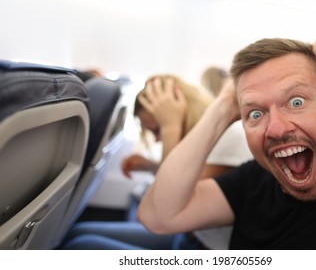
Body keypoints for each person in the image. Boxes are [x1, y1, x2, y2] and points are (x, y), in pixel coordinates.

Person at [137, 26, 316, 249]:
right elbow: (159, 216)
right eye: (256, 114)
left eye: (296, 101)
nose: (276, 129)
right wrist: (224, 106)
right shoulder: (256, 182)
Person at [61, 74, 253, 250]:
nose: (159, 139)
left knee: (81, 245)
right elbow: (188, 179)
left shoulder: (228, 136)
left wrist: (171, 127)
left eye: (157, 130)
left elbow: (172, 201)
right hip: (189, 238)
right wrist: (150, 166)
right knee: (78, 231)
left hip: (204, 248)